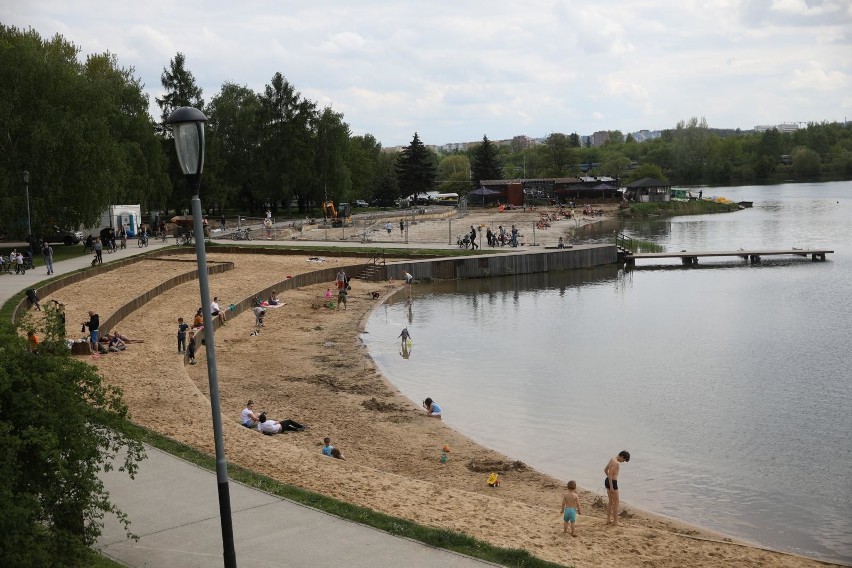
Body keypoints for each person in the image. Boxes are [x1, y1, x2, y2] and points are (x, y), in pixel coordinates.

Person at [604, 450, 631, 526]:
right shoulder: (616, 463)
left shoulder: (612, 459)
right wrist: (612, 486)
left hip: (608, 481)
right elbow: (610, 475)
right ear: (622, 457)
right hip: (612, 483)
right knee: (616, 502)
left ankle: (608, 520)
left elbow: (605, 470)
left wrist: (608, 481)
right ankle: (615, 522)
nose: (623, 462)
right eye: (624, 460)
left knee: (610, 501)